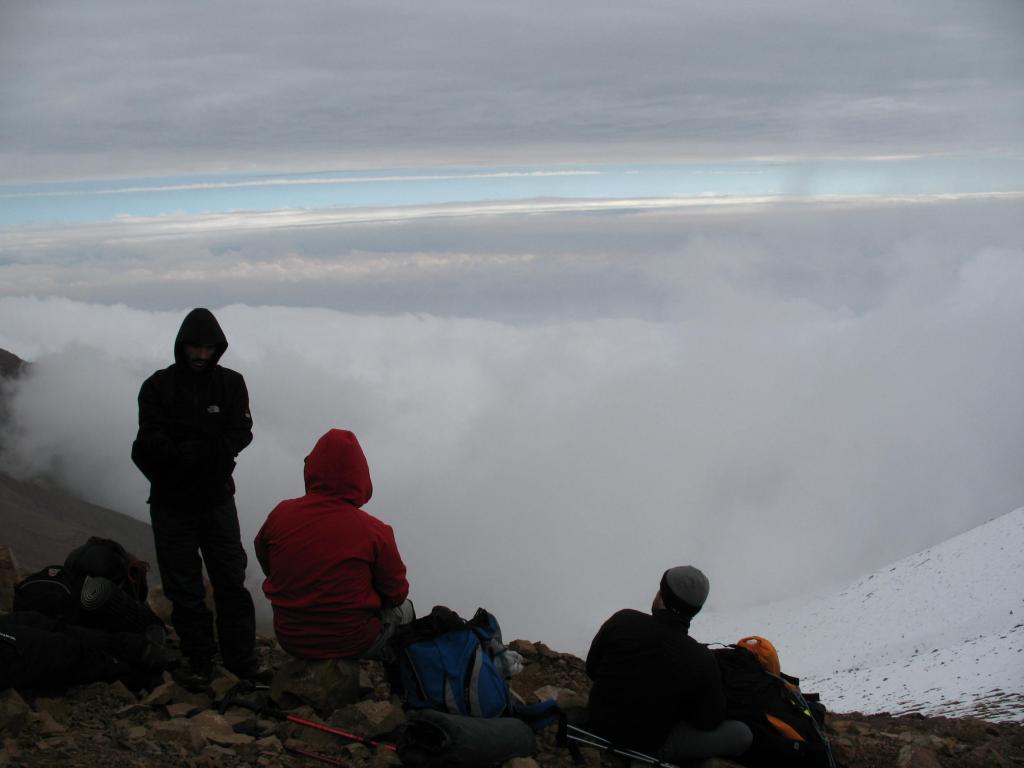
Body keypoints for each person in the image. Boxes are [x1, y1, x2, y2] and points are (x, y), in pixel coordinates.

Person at [130, 308, 258, 682]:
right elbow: (148, 437)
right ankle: (200, 661)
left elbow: (242, 431)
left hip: (216, 499)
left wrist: (209, 452)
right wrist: (184, 454)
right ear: (182, 346)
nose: (201, 355)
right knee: (183, 587)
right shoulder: (157, 387)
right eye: (195, 347)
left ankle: (241, 663)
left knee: (230, 579)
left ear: (218, 349)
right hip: (171, 504)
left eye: (208, 348)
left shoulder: (231, 384)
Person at [254, 428, 412, 660]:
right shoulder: (375, 531)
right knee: (406, 609)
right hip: (351, 642)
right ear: (360, 475)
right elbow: (396, 593)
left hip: (291, 638)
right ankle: (395, 670)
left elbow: (264, 557)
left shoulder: (281, 514)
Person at [585, 565, 752, 764]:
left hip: (597, 723)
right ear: (695, 610)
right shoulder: (701, 658)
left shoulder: (623, 619)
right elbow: (709, 721)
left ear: (661, 596)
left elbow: (592, 669)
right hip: (650, 745)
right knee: (741, 734)